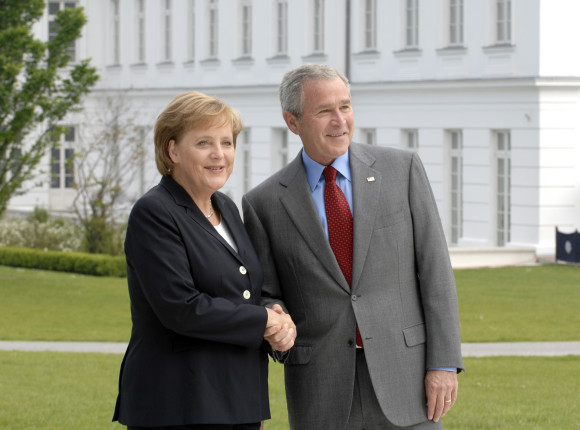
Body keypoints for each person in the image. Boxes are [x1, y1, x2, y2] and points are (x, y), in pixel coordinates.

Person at [242, 64, 464, 430]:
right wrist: (275, 317)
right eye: (324, 110)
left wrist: (442, 364)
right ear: (292, 121)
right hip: (320, 389)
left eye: (345, 106)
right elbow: (267, 294)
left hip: (406, 381)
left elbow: (436, 271)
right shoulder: (263, 203)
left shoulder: (401, 170)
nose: (340, 120)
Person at [113, 91, 296, 430]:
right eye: (203, 143)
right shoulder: (154, 212)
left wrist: (276, 318)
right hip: (180, 401)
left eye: (227, 143)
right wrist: (262, 322)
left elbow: (243, 290)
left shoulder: (225, 207)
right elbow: (181, 307)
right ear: (173, 150)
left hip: (238, 397)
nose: (219, 154)